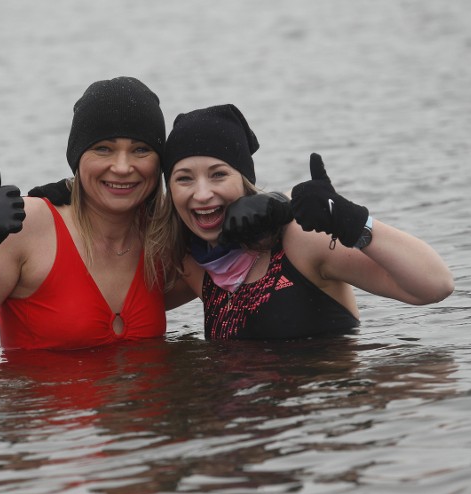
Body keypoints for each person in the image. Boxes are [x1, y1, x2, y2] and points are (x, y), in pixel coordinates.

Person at [0, 76, 183, 360]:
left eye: (141, 150)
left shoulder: (165, 234)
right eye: (103, 148)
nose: (122, 166)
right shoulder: (27, 227)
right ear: (77, 157)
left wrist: (234, 218)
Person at [153, 104, 454, 339]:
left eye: (218, 174)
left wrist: (350, 220)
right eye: (184, 179)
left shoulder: (300, 240)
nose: (202, 193)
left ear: (244, 182)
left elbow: (435, 286)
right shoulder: (196, 264)